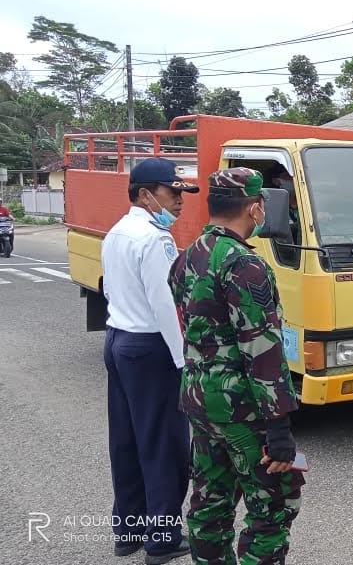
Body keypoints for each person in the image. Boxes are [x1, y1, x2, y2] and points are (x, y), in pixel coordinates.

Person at [168, 167, 303, 565]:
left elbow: (189, 329)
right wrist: (279, 425)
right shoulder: (245, 264)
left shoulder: (187, 257)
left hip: (199, 401)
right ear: (255, 208)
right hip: (242, 408)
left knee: (210, 501)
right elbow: (261, 348)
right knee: (274, 507)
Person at [101, 157, 197, 564]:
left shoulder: (118, 232)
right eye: (172, 192)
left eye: (182, 193)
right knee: (164, 445)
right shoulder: (155, 241)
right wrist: (185, 364)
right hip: (151, 348)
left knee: (127, 441)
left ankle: (129, 529)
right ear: (145, 194)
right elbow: (167, 308)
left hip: (119, 339)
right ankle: (162, 539)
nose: (180, 201)